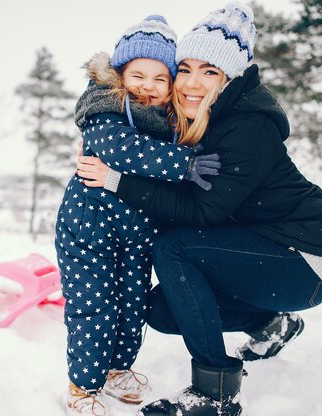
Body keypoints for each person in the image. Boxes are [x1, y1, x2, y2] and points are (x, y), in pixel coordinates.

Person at [76, 3, 322, 416]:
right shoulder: (201, 117)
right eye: (184, 68)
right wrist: (100, 148)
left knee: (173, 249)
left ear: (230, 77)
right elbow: (127, 114)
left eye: (209, 71)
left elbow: (202, 214)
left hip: (306, 259)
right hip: (264, 248)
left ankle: (213, 393)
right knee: (162, 309)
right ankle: (269, 325)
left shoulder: (248, 127)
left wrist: (117, 181)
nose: (191, 82)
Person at [55, 15, 221, 416]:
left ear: (170, 85)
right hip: (88, 229)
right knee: (94, 306)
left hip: (137, 231)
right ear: (119, 74)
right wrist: (183, 164)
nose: (148, 85)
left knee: (132, 304)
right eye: (138, 74)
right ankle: (83, 385)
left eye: (160, 78)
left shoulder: (170, 121)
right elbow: (122, 150)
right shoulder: (105, 109)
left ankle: (117, 369)